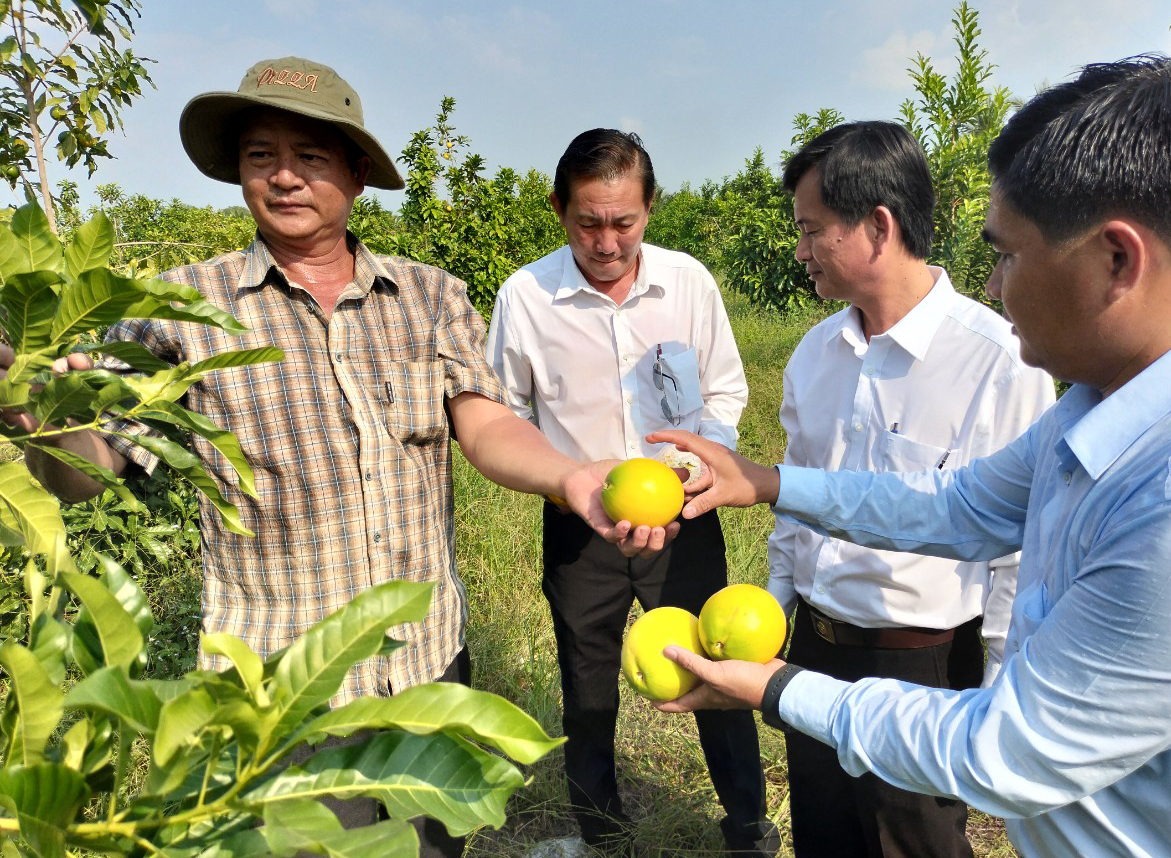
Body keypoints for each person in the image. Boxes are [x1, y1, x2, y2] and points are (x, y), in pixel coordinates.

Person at [1, 57, 655, 858]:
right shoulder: (181, 312)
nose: (282, 178)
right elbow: (81, 473)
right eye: (259, 156)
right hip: (280, 690)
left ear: (354, 172)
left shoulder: (428, 295)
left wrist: (571, 476)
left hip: (425, 668)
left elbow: (482, 425)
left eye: (309, 158)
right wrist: (29, 410)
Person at [648, 55, 1171, 858]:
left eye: (1009, 255)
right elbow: (954, 508)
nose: (995, 286)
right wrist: (767, 484)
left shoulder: (1156, 496)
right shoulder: (1090, 412)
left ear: (1116, 261)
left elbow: (1009, 751)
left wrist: (778, 690)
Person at [766, 120, 1054, 858]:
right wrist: (775, 610)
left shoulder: (996, 360)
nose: (799, 251)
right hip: (815, 644)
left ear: (876, 226)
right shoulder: (813, 354)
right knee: (824, 839)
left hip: (922, 664)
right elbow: (796, 507)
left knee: (913, 843)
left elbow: (1018, 550)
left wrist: (996, 685)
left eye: (810, 230)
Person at [485, 129, 778, 856]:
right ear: (557, 209)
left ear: (650, 208)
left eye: (624, 221)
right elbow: (504, 413)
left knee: (719, 668)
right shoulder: (526, 297)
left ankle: (747, 823)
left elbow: (724, 388)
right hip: (578, 524)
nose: (607, 241)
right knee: (587, 689)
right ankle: (602, 831)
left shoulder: (687, 283)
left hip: (680, 517)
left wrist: (698, 465)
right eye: (588, 222)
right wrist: (566, 481)